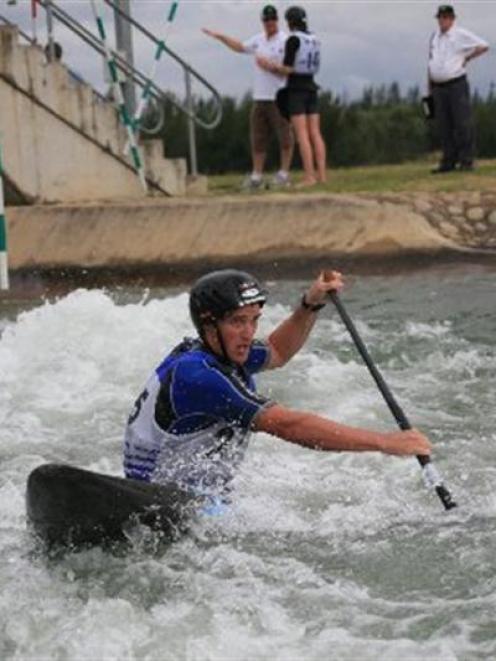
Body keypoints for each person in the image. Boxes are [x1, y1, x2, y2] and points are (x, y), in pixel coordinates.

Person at [123, 269, 431, 505]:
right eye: (237, 322)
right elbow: (285, 425)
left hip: (199, 498)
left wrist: (310, 305)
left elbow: (277, 350)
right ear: (208, 325)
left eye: (254, 320)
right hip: (158, 503)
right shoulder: (198, 375)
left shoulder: (224, 352)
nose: (248, 333)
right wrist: (383, 443)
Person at [203, 5, 294, 190]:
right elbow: (240, 46)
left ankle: (284, 174)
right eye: (267, 20)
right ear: (263, 21)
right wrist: (221, 37)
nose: (270, 23)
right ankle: (256, 175)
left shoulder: (286, 41)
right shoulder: (259, 39)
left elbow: (290, 70)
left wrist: (270, 66)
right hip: (260, 97)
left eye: (272, 19)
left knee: (285, 136)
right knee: (258, 138)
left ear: (277, 20)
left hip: (279, 96)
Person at [256, 5, 326, 187]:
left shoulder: (293, 40)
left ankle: (309, 176)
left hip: (296, 89)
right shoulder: (314, 39)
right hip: (312, 86)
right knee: (315, 133)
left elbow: (287, 68)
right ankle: (322, 175)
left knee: (302, 135)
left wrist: (270, 65)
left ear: (289, 22)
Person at [428, 5, 489, 173]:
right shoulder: (435, 37)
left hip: (456, 84)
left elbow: (483, 45)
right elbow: (431, 59)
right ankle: (448, 160)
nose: (442, 20)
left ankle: (466, 160)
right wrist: (430, 86)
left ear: (452, 19)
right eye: (440, 17)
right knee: (444, 124)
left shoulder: (460, 34)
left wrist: (467, 58)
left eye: (446, 17)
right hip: (438, 86)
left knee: (462, 123)